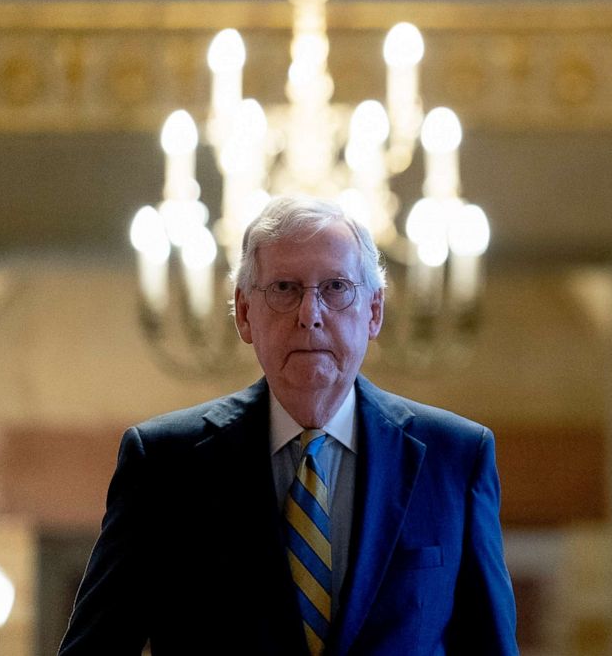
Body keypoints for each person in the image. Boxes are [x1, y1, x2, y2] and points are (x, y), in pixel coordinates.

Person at [59, 195, 518, 655]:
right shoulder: (163, 463)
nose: (309, 314)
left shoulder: (455, 457)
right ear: (243, 313)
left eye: (336, 287)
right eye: (284, 288)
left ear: (374, 312)